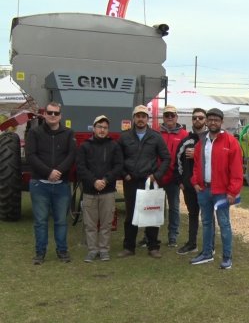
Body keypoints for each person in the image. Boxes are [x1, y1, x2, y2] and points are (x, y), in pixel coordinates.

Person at [190, 108, 243, 269]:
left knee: (224, 223)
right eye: (210, 119)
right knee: (206, 222)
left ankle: (227, 257)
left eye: (216, 120)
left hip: (222, 192)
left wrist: (233, 191)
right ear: (206, 121)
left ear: (222, 122)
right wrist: (195, 182)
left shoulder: (230, 142)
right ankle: (207, 253)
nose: (213, 122)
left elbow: (236, 169)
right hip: (204, 189)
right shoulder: (202, 142)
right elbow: (197, 164)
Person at [26, 102, 76, 265]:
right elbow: (31, 156)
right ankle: (40, 253)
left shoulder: (68, 133)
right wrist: (48, 172)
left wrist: (58, 171)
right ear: (44, 114)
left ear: (60, 116)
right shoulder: (34, 133)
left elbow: (71, 155)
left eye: (56, 113)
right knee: (40, 221)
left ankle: (62, 251)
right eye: (50, 113)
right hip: (40, 185)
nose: (53, 115)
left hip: (61, 185)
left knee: (61, 220)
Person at [118, 105, 170, 259]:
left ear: (148, 118)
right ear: (133, 118)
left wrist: (157, 175)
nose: (140, 119)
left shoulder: (156, 137)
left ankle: (153, 247)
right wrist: (124, 174)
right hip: (131, 181)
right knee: (130, 214)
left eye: (143, 116)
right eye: (138, 116)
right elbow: (118, 159)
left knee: (151, 212)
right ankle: (129, 247)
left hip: (150, 181)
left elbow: (166, 158)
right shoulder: (125, 137)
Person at [76, 115, 123, 262]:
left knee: (106, 224)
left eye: (105, 128)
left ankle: (104, 250)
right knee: (90, 224)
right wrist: (93, 181)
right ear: (94, 128)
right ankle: (92, 250)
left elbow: (118, 166)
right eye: (99, 127)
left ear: (108, 130)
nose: (102, 130)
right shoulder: (85, 146)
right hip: (90, 192)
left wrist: (105, 180)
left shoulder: (114, 146)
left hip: (107, 191)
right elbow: (81, 167)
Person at [174, 108, 208, 255]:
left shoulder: (210, 140)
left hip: (207, 186)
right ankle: (192, 243)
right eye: (195, 118)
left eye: (201, 118)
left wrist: (198, 154)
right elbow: (177, 162)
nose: (198, 120)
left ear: (205, 120)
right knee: (193, 214)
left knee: (207, 216)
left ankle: (209, 244)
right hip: (189, 186)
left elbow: (216, 160)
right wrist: (181, 182)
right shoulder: (185, 141)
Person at [158, 105, 188, 247]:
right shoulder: (156, 133)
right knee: (154, 206)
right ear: (163, 117)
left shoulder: (184, 135)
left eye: (172, 115)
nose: (169, 117)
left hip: (173, 177)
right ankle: (151, 236)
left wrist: (182, 177)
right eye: (167, 115)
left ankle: (173, 236)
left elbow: (186, 158)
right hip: (157, 176)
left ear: (177, 117)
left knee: (174, 208)